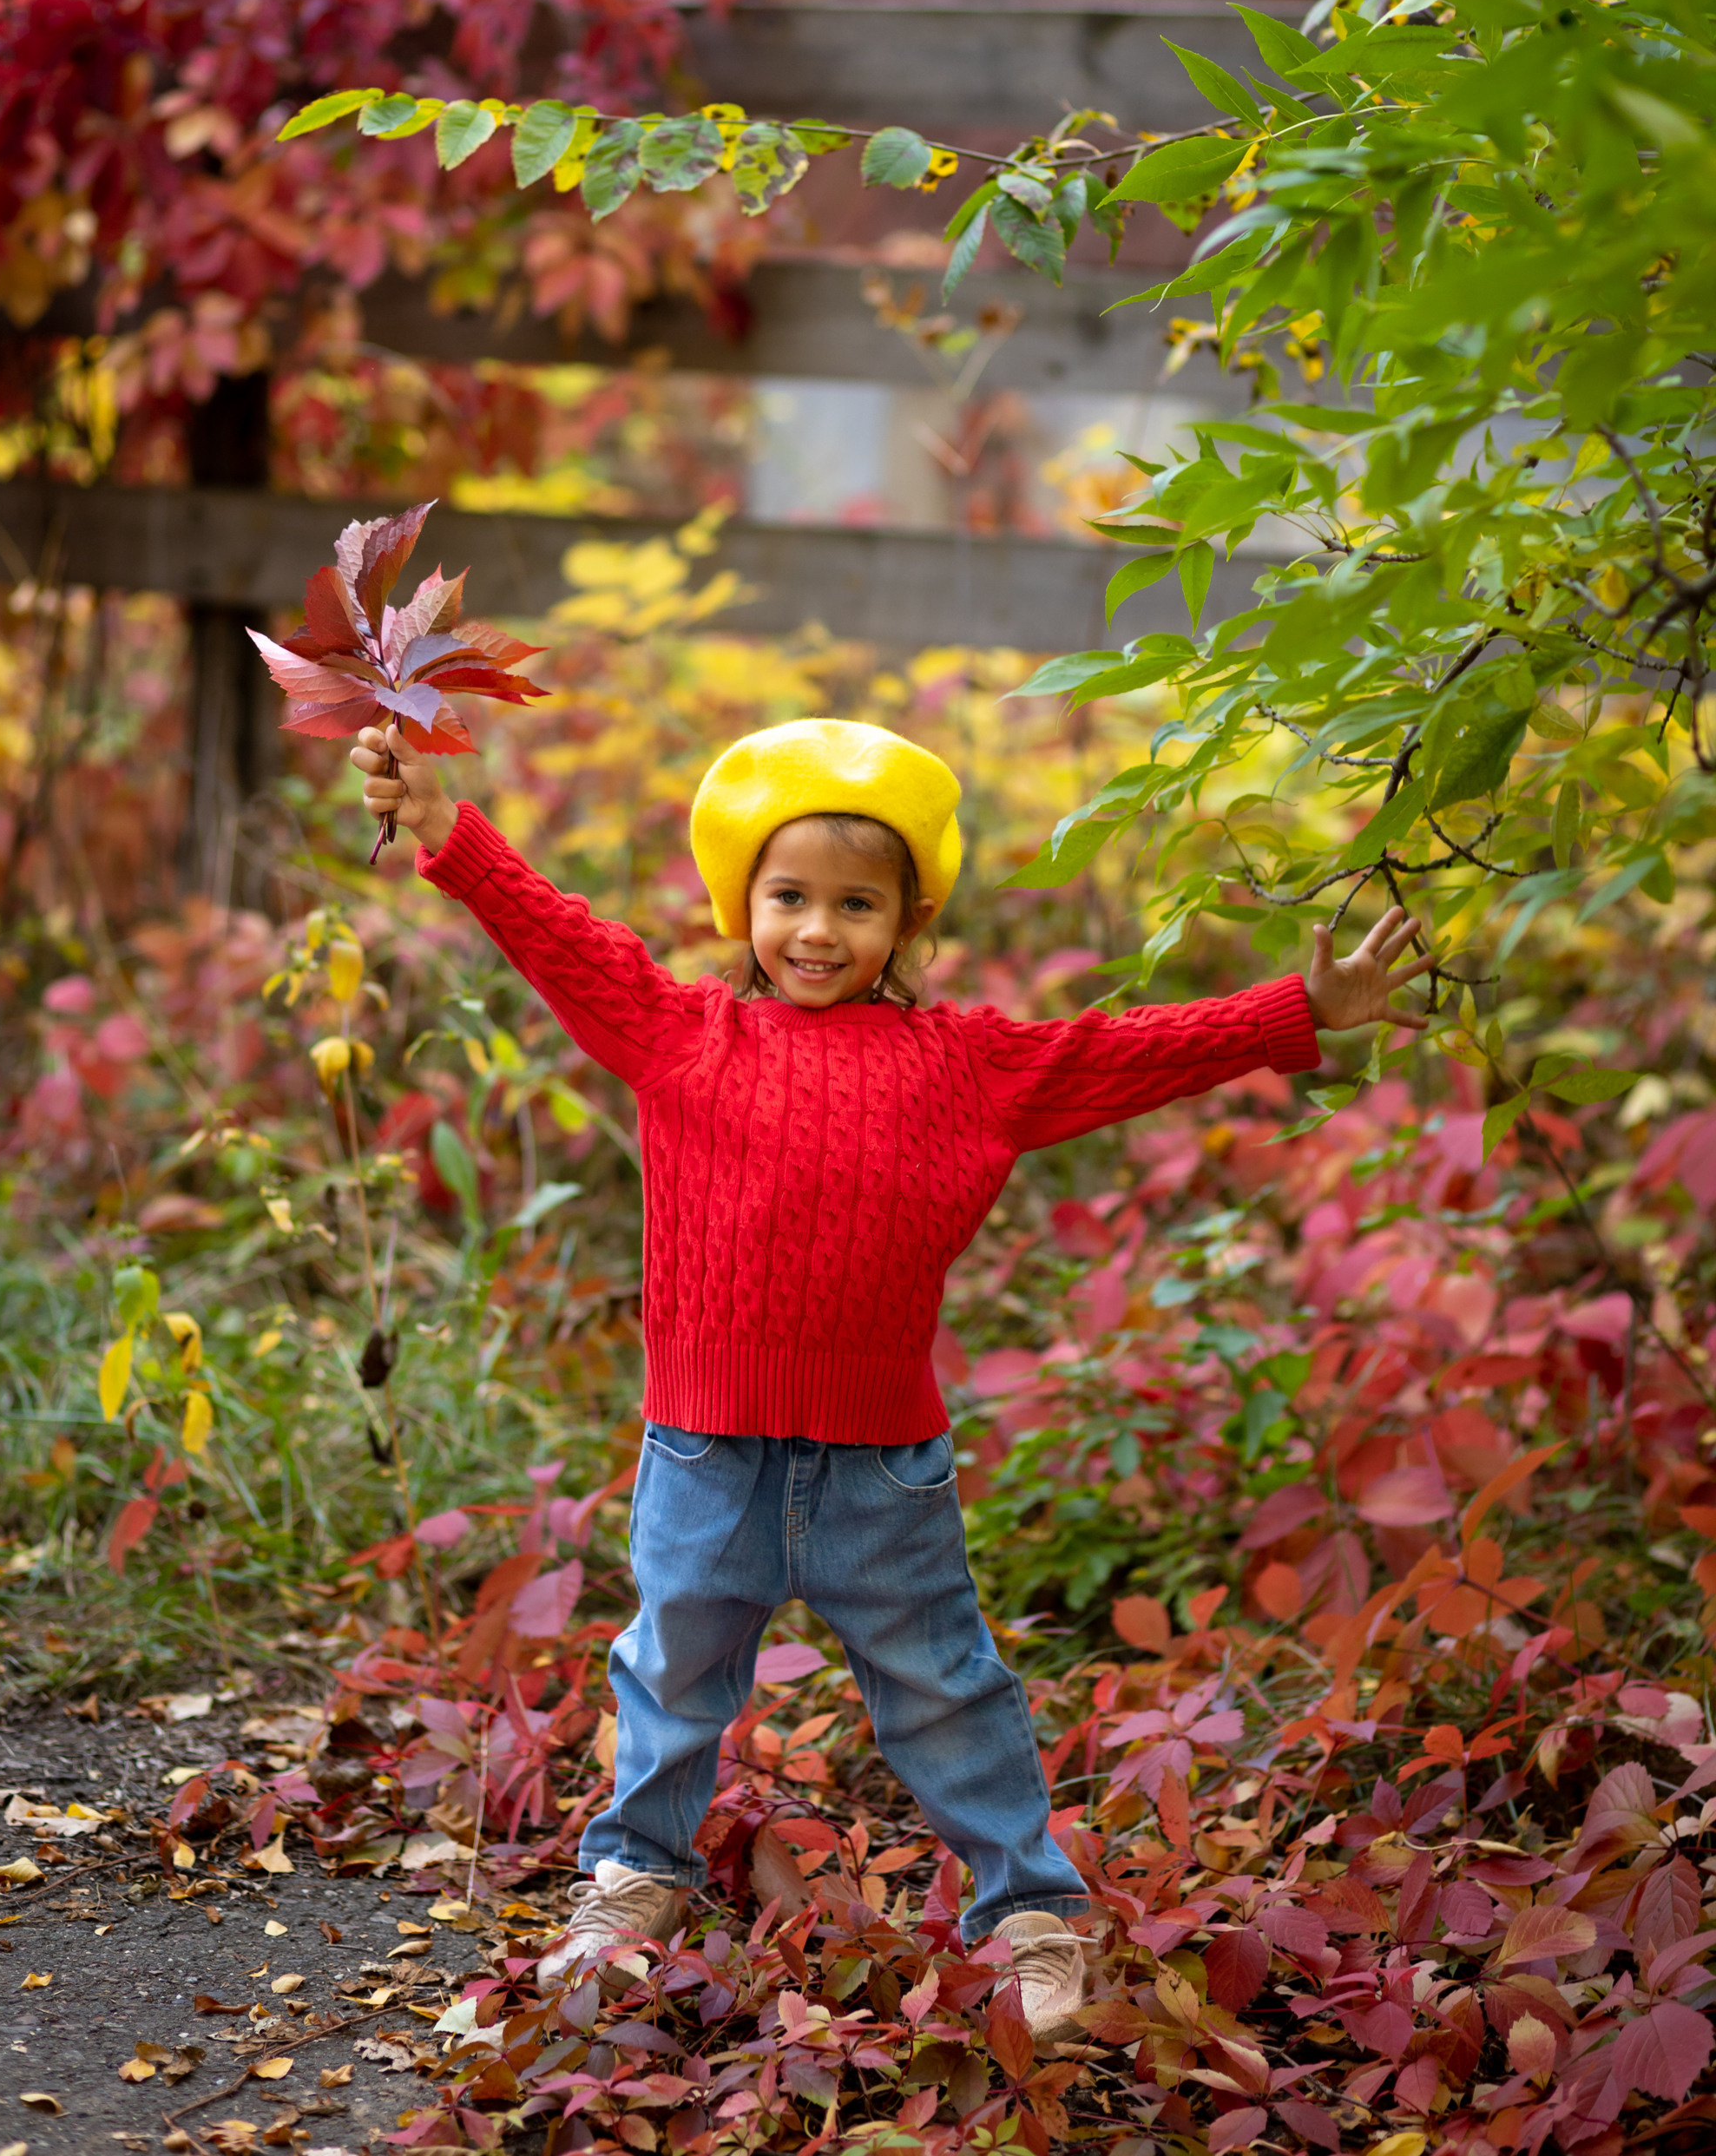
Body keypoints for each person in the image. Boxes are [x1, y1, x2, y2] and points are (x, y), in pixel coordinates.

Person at [352, 714, 1430, 2039]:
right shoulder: (677, 1032)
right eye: (789, 896)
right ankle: (637, 1876)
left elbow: (1124, 1048)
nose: (817, 930)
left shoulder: (964, 1064)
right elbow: (555, 929)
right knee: (676, 1668)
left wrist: (1298, 1012)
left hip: (880, 1462)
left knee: (942, 1684)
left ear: (908, 919)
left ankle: (1030, 1908)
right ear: (741, 902)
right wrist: (450, 829)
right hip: (706, 1445)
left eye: (855, 904)